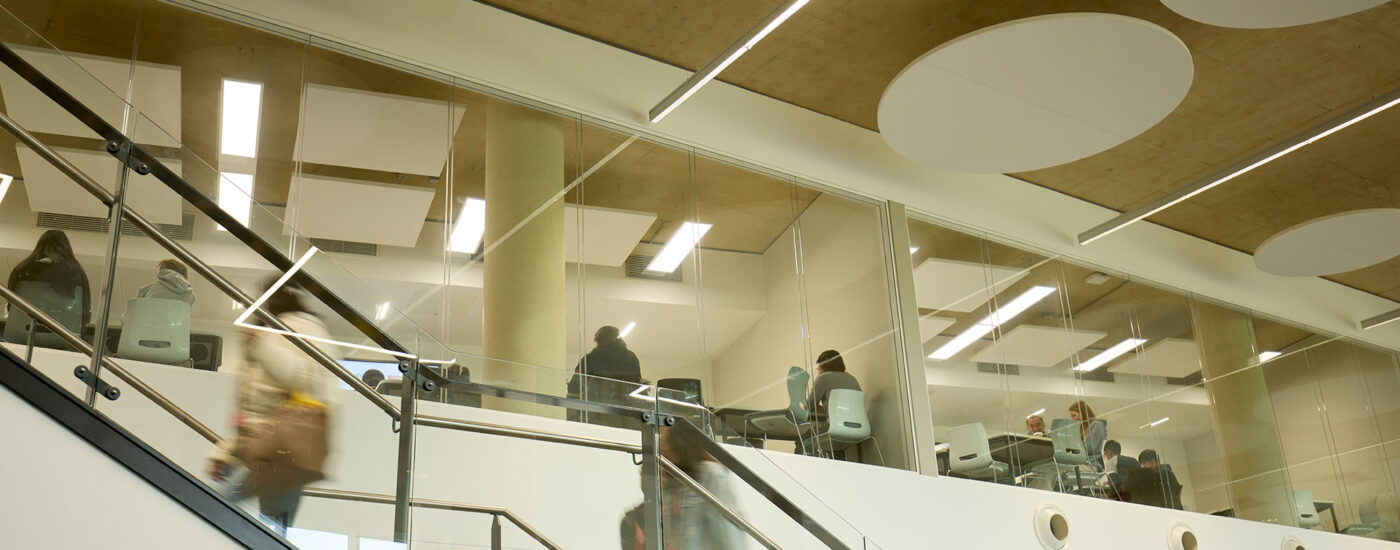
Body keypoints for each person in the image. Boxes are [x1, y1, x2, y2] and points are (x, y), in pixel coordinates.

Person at [206, 278, 335, 535]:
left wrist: (264, 346)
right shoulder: (267, 331)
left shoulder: (302, 329)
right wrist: (226, 453)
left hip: (285, 450)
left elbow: (309, 380)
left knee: (216, 511)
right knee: (268, 528)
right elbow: (251, 409)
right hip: (263, 450)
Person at [623, 426, 745, 549]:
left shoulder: (712, 476)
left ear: (680, 445)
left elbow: (731, 539)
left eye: (665, 442)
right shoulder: (673, 485)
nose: (662, 448)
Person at [6, 230, 91, 329]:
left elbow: (11, 307)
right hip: (65, 334)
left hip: (22, 331)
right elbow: (84, 312)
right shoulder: (77, 273)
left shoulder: (22, 270)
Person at [567, 326, 642, 428]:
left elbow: (574, 388)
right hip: (628, 418)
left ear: (597, 341)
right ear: (619, 339)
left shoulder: (589, 360)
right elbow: (637, 386)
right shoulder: (631, 358)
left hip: (596, 417)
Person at [807, 349, 861, 416]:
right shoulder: (852, 378)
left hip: (836, 424)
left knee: (801, 424)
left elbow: (808, 406)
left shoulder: (823, 378)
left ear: (822, 366)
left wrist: (818, 408)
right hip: (861, 424)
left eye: (818, 368)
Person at [1068, 400, 1107, 471]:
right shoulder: (1084, 430)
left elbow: (1089, 447)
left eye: (1074, 416)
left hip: (1093, 464)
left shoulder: (1097, 425)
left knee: (1064, 471)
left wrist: (1070, 450)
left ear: (1082, 413)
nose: (1073, 419)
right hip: (1084, 463)